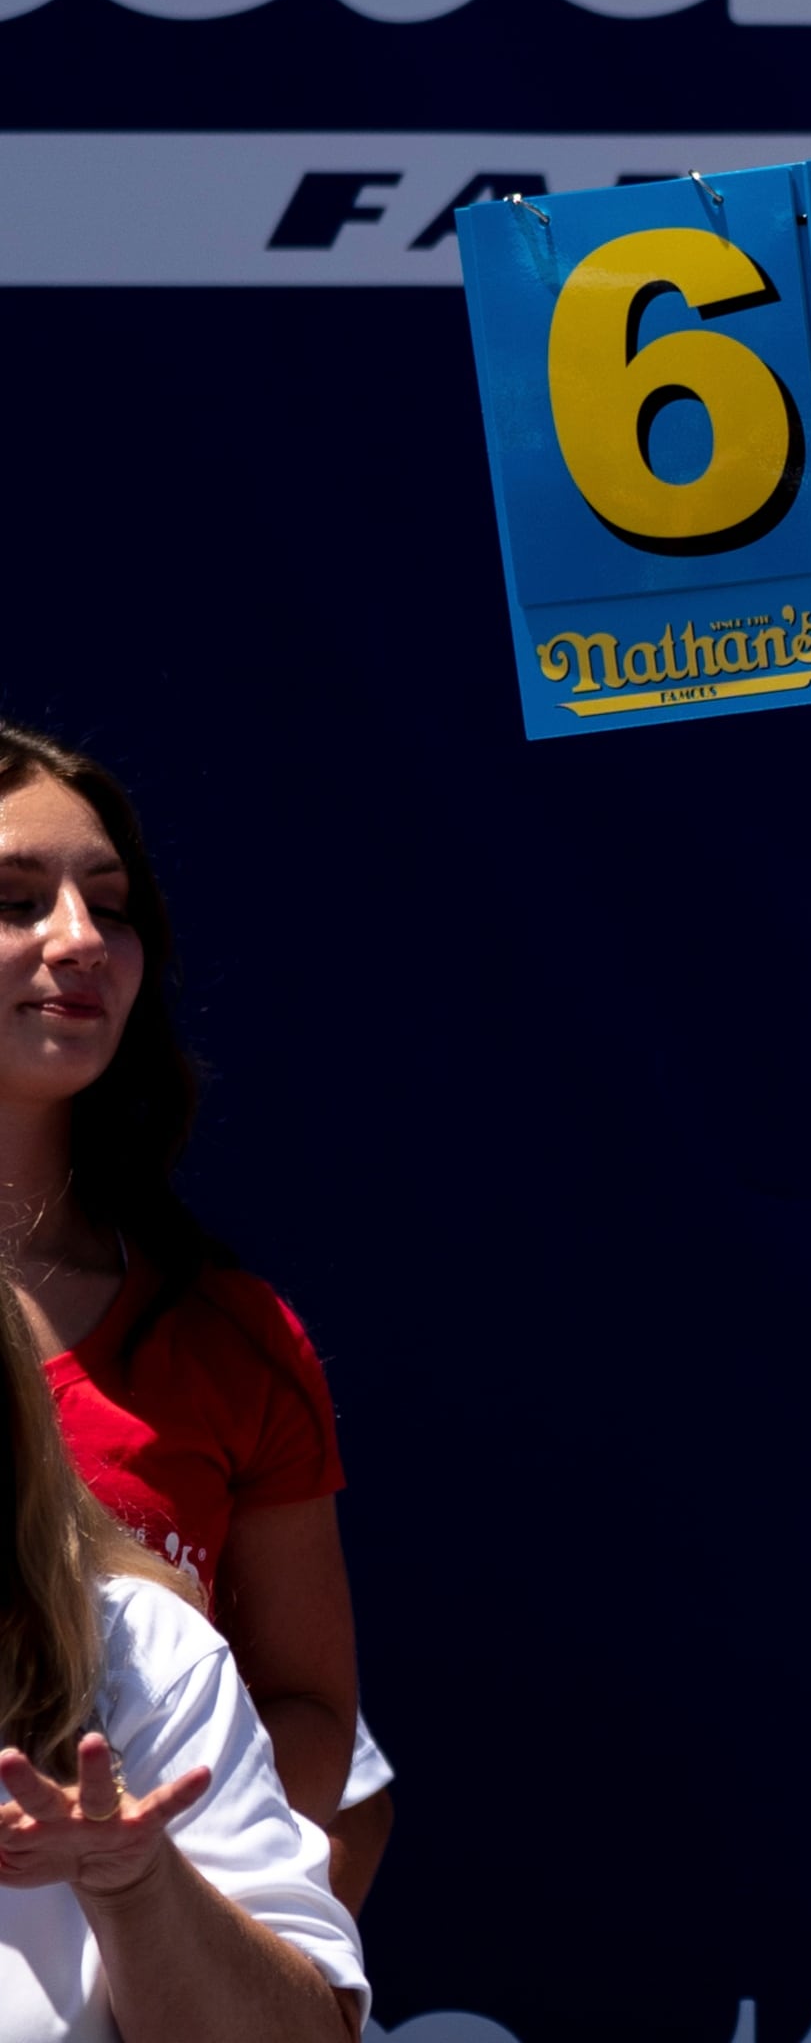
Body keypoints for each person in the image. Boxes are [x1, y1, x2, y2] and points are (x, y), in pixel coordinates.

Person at [0, 723, 385, 1915]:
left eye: (111, 908)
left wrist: (132, 1867)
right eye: (15, 900)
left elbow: (315, 1719)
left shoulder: (232, 1338)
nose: (80, 940)